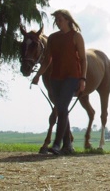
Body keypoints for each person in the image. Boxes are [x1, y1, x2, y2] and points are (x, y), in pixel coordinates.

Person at [32, 9, 87, 155]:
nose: (57, 22)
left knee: (62, 107)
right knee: (62, 109)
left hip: (72, 76)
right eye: (56, 20)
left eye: (60, 20)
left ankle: (57, 144)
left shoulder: (76, 36)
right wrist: (38, 75)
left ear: (68, 20)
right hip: (55, 77)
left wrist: (83, 78)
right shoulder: (52, 38)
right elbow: (47, 60)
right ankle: (68, 145)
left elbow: (83, 59)